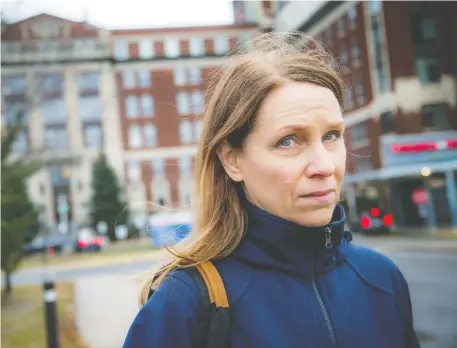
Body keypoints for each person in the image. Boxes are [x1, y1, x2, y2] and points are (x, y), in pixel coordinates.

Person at [123, 32, 419, 348]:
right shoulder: (186, 302)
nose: (323, 166)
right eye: (288, 141)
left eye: (331, 136)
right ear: (232, 160)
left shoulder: (381, 279)